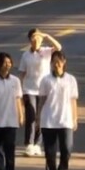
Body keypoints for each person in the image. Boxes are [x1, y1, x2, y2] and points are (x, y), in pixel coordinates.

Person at [36, 51, 78, 170]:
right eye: (54, 61)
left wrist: (75, 117)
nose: (56, 63)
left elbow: (73, 100)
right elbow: (41, 100)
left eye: (59, 60)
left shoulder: (70, 79)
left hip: (65, 119)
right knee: (50, 151)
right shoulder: (46, 80)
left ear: (64, 62)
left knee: (67, 148)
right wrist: (38, 118)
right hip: (48, 120)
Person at [19, 28, 62, 157]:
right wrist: (20, 91)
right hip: (29, 89)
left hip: (44, 90)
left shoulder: (47, 52)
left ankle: (38, 144)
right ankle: (29, 144)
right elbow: (22, 73)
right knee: (31, 116)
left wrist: (47, 35)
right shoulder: (25, 55)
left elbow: (59, 47)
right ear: (30, 40)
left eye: (38, 38)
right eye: (33, 38)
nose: (36, 40)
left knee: (41, 117)